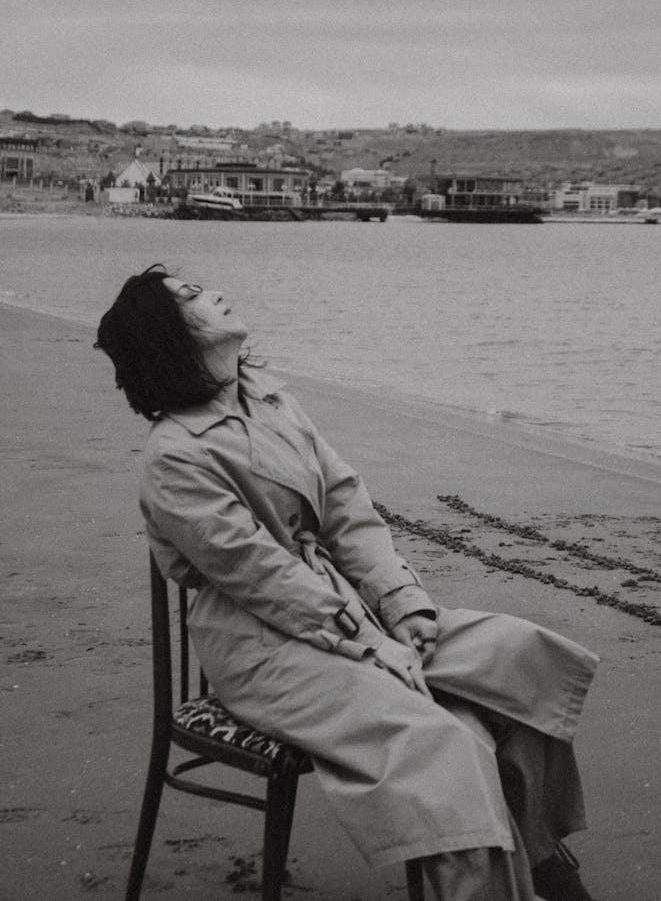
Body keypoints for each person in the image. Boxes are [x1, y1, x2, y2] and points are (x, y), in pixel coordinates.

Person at [96, 264, 601, 901]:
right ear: (171, 337)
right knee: (446, 744)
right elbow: (266, 579)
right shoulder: (174, 456)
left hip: (343, 609)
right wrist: (373, 644)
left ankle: (543, 864)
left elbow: (346, 508)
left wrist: (405, 607)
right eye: (192, 297)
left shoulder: (268, 397)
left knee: (517, 665)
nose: (214, 290)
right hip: (264, 647)